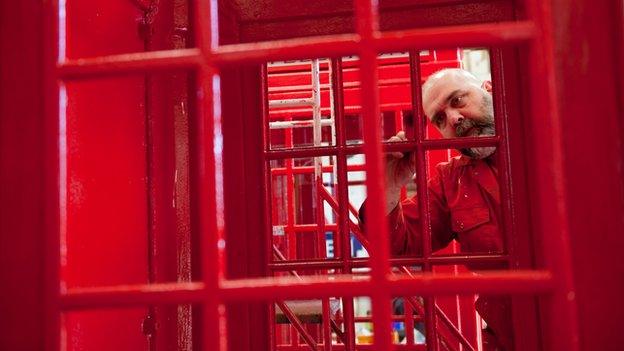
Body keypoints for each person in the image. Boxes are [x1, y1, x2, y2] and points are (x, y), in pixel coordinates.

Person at [359, 68, 513, 350]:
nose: (454, 119)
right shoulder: (449, 181)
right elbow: (395, 249)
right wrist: (389, 186)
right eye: (440, 119)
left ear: (489, 88)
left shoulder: (551, 138)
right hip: (510, 339)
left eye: (457, 100)